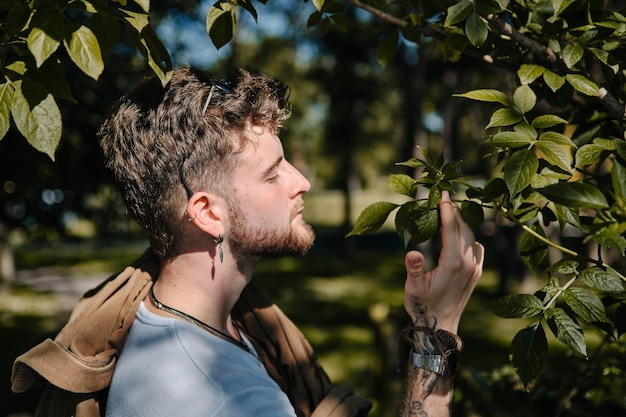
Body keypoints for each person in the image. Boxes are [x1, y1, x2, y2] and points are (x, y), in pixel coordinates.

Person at [11, 67, 484, 417]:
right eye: (273, 173)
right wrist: (434, 332)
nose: (302, 182)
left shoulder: (176, 319)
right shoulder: (223, 398)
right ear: (207, 213)